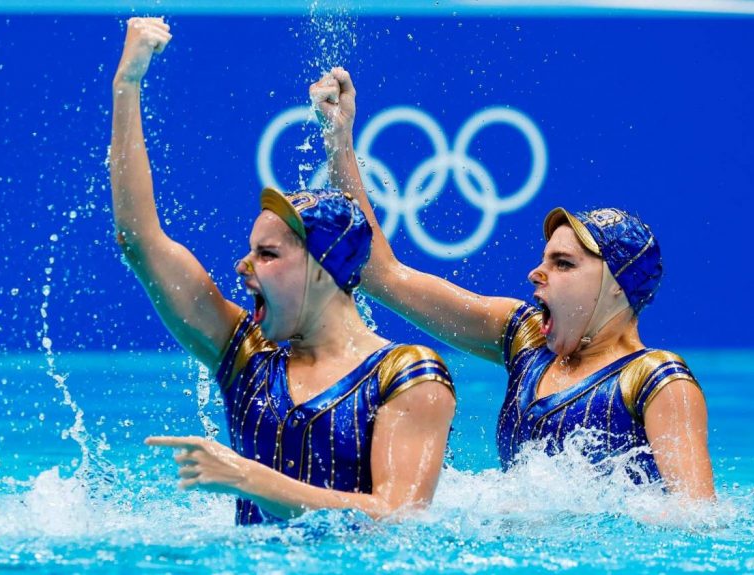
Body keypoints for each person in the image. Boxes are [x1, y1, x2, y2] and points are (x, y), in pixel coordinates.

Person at [109, 18, 456, 525]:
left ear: (324, 268)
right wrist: (128, 83)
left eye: (267, 254)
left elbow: (397, 518)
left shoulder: (408, 377)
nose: (243, 267)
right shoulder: (248, 359)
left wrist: (246, 476)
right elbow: (138, 241)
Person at [309, 68, 714, 500]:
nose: (536, 274)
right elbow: (379, 275)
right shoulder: (523, 339)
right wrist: (339, 142)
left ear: (617, 285)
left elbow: (696, 520)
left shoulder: (658, 381)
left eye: (563, 264)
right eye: (544, 260)